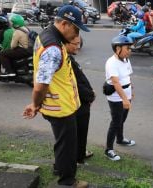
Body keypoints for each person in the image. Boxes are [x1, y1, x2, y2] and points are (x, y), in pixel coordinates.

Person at [22, 5, 90, 187]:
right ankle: (67, 182)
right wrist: (34, 105)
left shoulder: (47, 35)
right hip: (61, 108)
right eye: (76, 29)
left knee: (63, 143)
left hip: (62, 105)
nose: (76, 36)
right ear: (65, 24)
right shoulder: (53, 48)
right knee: (67, 146)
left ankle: (60, 169)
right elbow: (40, 85)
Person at [65, 35, 95, 165]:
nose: (78, 46)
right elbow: (75, 84)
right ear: (65, 43)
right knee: (79, 132)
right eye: (75, 43)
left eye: (79, 43)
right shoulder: (66, 61)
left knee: (81, 132)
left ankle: (80, 154)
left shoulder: (69, 58)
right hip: (78, 103)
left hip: (82, 101)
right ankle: (78, 159)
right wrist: (90, 95)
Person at [104, 35, 136, 161]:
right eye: (127, 48)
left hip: (126, 94)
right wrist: (124, 99)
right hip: (117, 97)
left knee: (122, 119)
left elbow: (128, 76)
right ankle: (108, 149)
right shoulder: (111, 63)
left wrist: (131, 90)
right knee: (116, 122)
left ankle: (120, 139)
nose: (130, 50)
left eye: (130, 48)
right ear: (118, 49)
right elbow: (116, 83)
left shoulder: (126, 60)